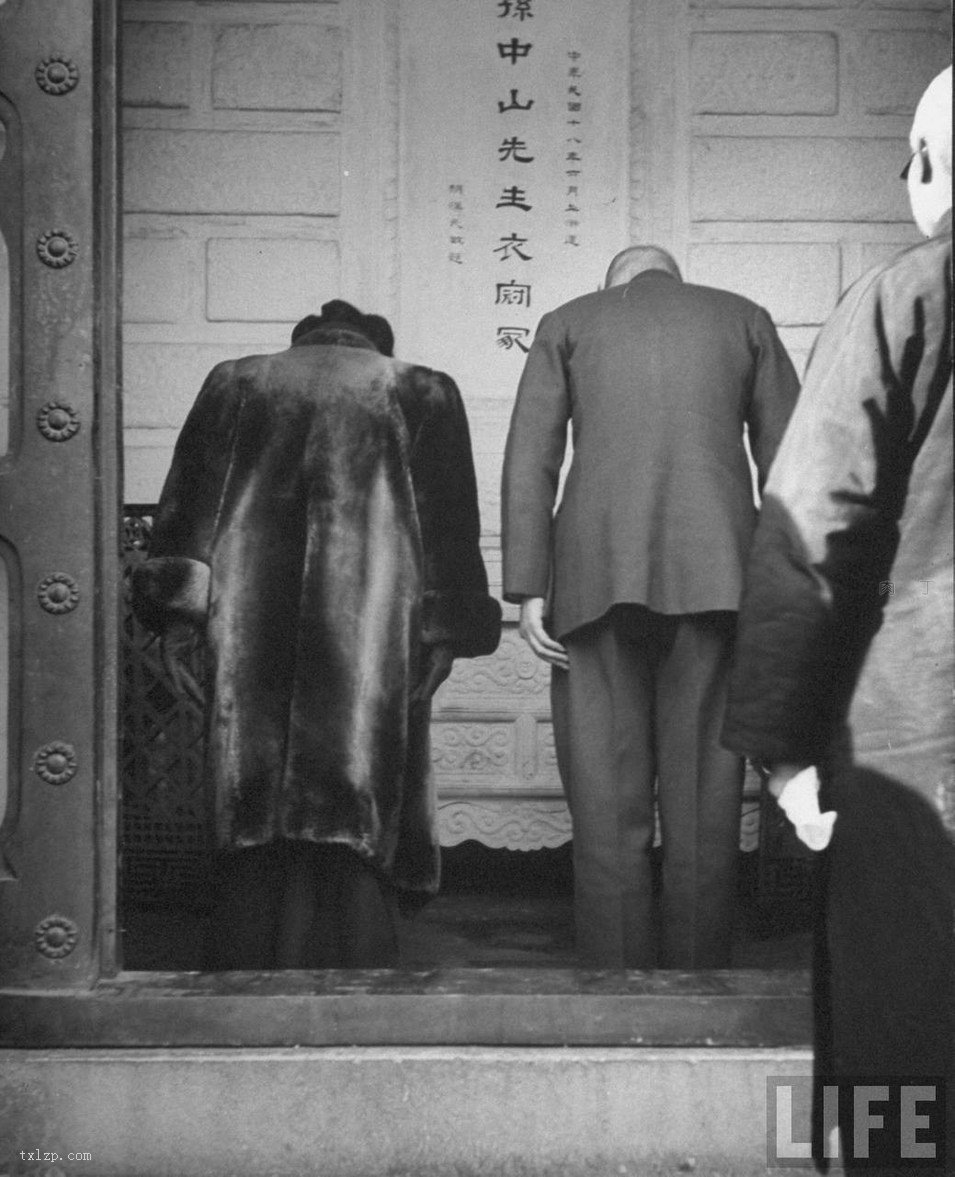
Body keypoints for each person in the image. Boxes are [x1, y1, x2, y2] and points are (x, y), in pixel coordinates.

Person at [722, 67, 953, 1172]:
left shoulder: (908, 294)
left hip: (924, 730)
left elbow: (817, 524)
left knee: (900, 1031)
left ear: (927, 164)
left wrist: (781, 746)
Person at [133, 300, 501, 969]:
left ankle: (249, 960)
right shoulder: (421, 389)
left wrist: (178, 619)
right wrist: (442, 633)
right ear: (376, 344)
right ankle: (354, 959)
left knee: (254, 798)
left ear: (300, 339)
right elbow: (448, 530)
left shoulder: (236, 380)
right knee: (357, 795)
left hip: (249, 630)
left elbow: (186, 513)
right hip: (367, 637)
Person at [500, 246, 800, 968]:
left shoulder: (568, 323)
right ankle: (697, 977)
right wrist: (783, 591)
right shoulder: (743, 320)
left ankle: (616, 980)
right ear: (674, 274)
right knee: (705, 797)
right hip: (717, 580)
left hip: (591, 580)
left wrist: (528, 586)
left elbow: (528, 458)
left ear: (614, 284)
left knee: (605, 800)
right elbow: (791, 459)